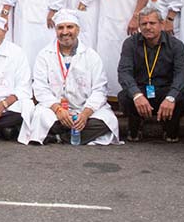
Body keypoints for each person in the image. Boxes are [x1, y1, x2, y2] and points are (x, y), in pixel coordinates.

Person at [20, 10, 119, 145]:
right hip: (55, 109)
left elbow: (100, 90)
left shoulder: (91, 56)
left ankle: (59, 137)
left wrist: (85, 114)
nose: (65, 32)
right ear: (55, 30)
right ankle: (71, 134)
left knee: (108, 121)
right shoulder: (44, 55)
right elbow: (40, 88)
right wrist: (58, 109)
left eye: (70, 27)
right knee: (40, 116)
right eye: (60, 28)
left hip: (84, 109)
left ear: (78, 30)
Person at [117, 7, 184, 142]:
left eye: (152, 23)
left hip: (165, 91)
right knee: (125, 97)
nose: (148, 27)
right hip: (141, 91)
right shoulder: (130, 43)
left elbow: (183, 74)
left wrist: (171, 97)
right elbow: (124, 72)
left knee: (182, 97)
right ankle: (135, 128)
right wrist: (136, 95)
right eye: (144, 24)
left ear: (162, 24)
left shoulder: (175, 45)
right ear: (139, 26)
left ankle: (170, 130)